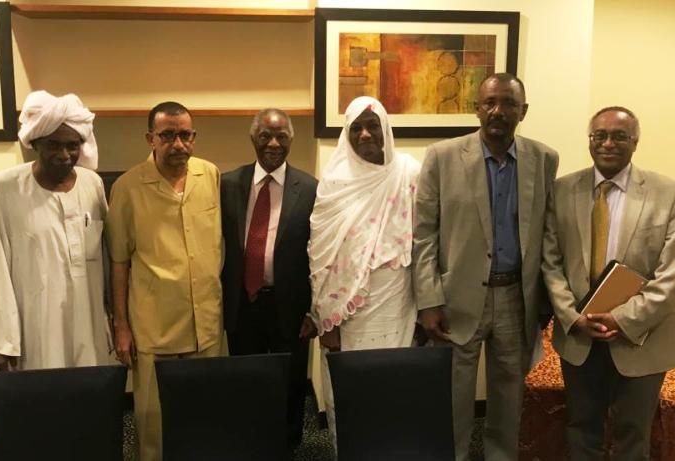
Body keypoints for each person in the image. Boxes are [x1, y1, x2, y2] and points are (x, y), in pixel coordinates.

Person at [413, 73, 559, 461]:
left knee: (509, 396)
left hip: (516, 297)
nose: (499, 111)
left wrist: (544, 303)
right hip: (456, 298)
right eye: (490, 102)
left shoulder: (544, 159)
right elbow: (423, 234)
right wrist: (428, 300)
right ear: (476, 108)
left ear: (523, 111)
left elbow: (547, 234)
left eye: (509, 103)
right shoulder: (442, 158)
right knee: (454, 395)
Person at [542, 106, 675, 460]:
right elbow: (550, 263)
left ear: (635, 142)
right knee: (581, 430)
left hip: (644, 338)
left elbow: (673, 274)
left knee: (632, 437)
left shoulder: (669, 193)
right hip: (580, 335)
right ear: (590, 141)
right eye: (600, 136)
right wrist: (573, 316)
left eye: (619, 136)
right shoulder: (561, 191)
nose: (608, 143)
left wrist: (622, 319)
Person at [0, 90, 111, 371]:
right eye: (54, 145)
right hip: (35, 331)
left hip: (89, 326)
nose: (65, 155)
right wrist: (1, 342)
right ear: (36, 143)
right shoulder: (4, 187)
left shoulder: (93, 185)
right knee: (41, 406)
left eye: (73, 145)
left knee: (91, 406)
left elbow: (107, 258)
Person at [106, 101, 222, 461]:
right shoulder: (127, 188)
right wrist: (122, 326)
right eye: (168, 135)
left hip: (205, 325)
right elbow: (119, 262)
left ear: (194, 138)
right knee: (153, 424)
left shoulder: (210, 175)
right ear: (151, 138)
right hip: (154, 327)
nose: (178, 145)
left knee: (203, 418)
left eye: (185, 135)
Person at [309, 96, 420, 445]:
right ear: (347, 133)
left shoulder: (409, 172)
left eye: (373, 126)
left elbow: (427, 240)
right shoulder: (334, 181)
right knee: (351, 395)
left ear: (385, 127)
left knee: (393, 391)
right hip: (347, 316)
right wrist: (324, 316)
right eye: (356, 127)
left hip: (396, 304)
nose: (366, 135)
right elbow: (320, 256)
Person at [220, 108, 317, 448]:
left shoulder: (309, 188)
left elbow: (317, 253)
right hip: (242, 304)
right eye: (265, 136)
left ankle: (287, 445)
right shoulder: (228, 184)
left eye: (281, 137)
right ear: (253, 139)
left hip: (289, 306)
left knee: (291, 383)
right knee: (245, 380)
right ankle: (248, 444)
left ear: (292, 140)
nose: (273, 143)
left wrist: (313, 310)